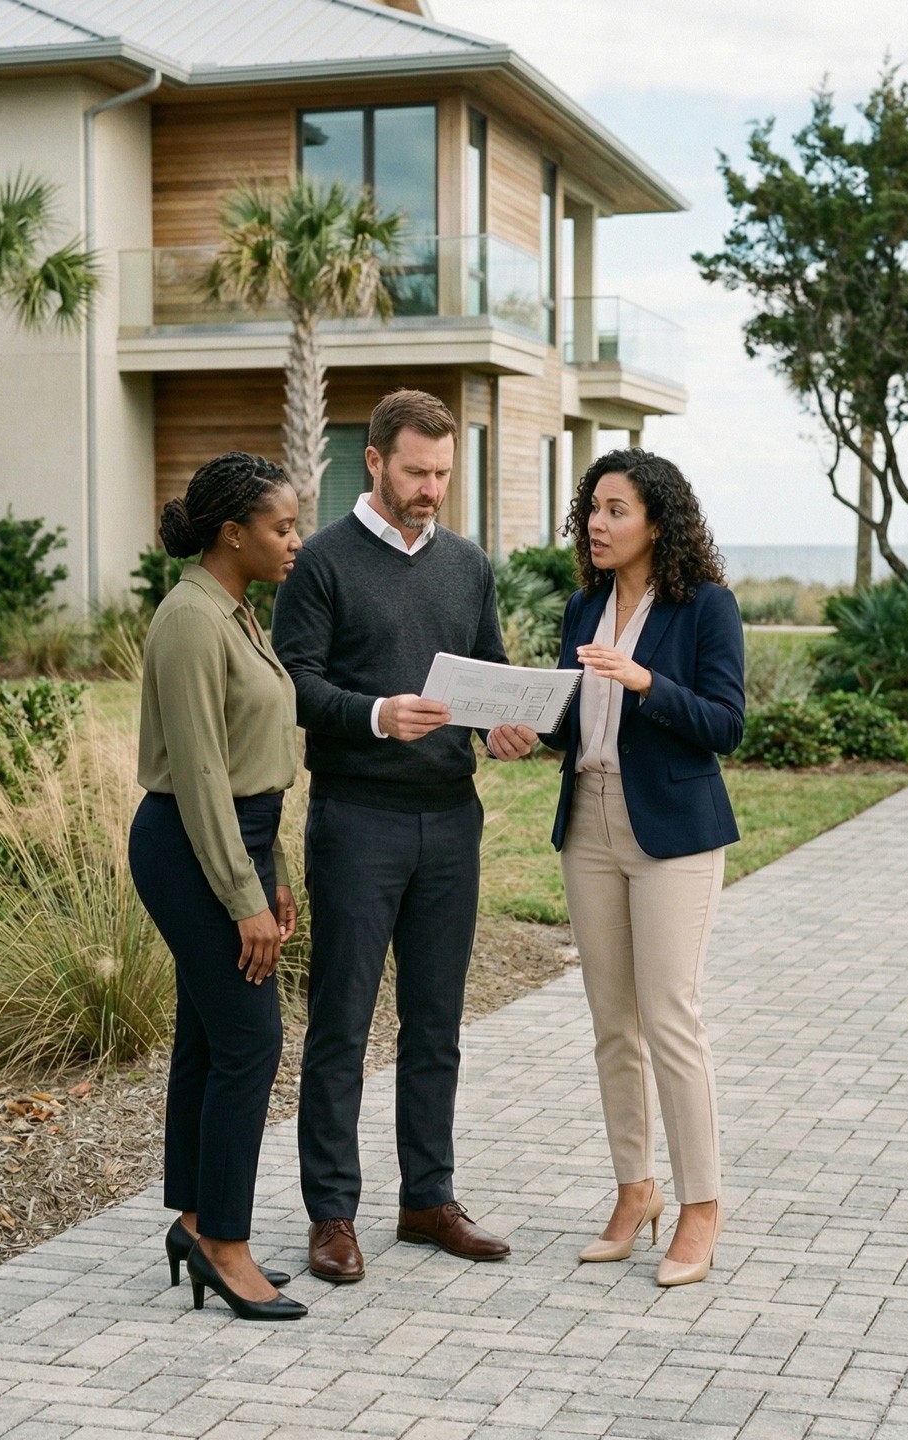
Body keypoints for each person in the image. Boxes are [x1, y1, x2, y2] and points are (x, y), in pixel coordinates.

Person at [270, 388, 535, 1283]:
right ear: (374, 461)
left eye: (444, 474)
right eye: (417, 472)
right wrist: (379, 713)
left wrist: (506, 723)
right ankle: (332, 1215)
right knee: (341, 1024)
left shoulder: (468, 563)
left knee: (437, 1025)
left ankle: (428, 1198)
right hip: (357, 820)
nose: (431, 489)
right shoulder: (322, 564)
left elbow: (489, 667)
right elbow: (295, 687)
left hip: (451, 820)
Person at [545, 447, 744, 1287]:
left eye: (616, 509)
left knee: (669, 1019)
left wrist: (644, 682)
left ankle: (701, 1208)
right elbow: (567, 717)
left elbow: (725, 723)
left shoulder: (706, 608)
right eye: (592, 507)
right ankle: (635, 1189)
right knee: (611, 1025)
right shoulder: (582, 607)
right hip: (588, 822)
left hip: (674, 832)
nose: (597, 521)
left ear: (658, 521)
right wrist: (522, 726)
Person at [128, 450, 307, 1322]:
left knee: (208, 1035)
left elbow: (249, 765)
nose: (295, 542)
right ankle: (225, 1245)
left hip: (238, 840)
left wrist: (267, 879)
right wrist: (242, 895)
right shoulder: (192, 622)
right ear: (232, 533)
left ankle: (197, 1219)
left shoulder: (235, 612)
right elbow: (201, 779)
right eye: (281, 527)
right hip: (194, 844)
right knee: (249, 1042)